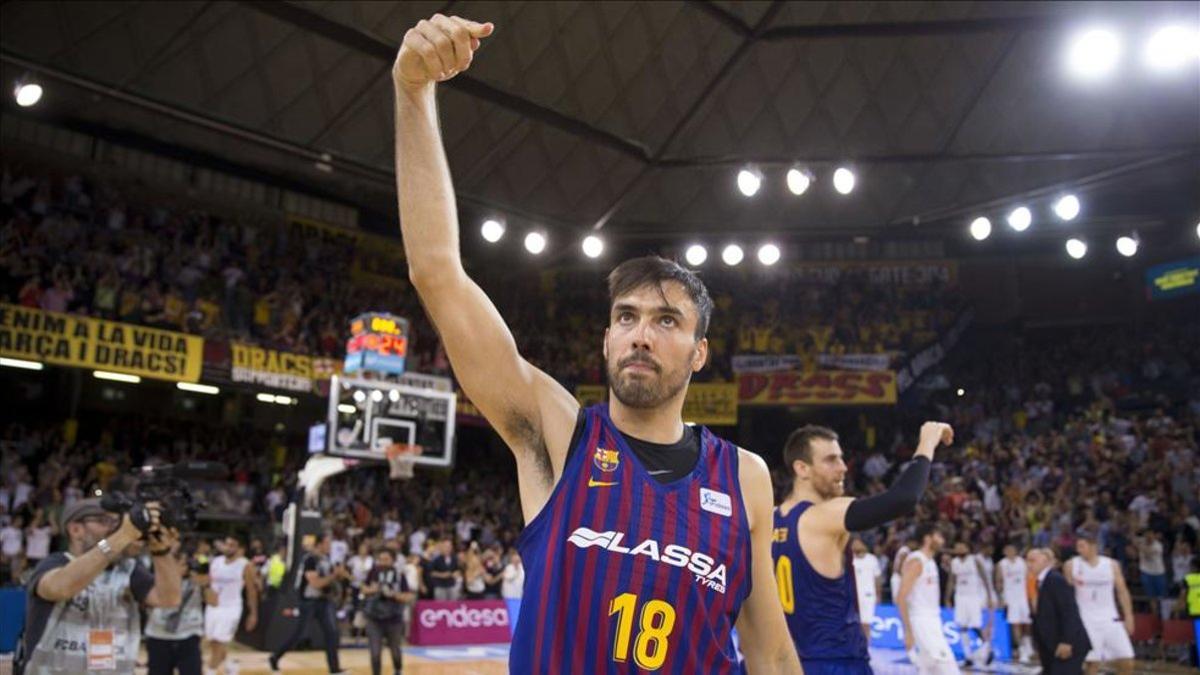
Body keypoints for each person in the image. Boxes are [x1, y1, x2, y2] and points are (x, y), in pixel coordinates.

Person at [391, 12, 800, 673]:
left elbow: (773, 653)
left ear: (699, 352)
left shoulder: (745, 476)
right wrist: (413, 93)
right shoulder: (558, 432)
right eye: (628, 316)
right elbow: (437, 272)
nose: (642, 333)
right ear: (608, 336)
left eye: (667, 321)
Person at [773, 422, 952, 674]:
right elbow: (902, 498)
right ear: (801, 468)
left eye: (842, 458)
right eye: (831, 460)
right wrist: (927, 443)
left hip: (780, 662)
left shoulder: (769, 520)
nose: (843, 468)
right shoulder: (823, 514)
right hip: (834, 660)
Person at [19, 498, 181, 674]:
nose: (114, 528)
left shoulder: (128, 569)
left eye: (117, 522)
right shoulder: (54, 563)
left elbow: (169, 599)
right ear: (75, 530)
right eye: (104, 521)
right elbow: (60, 587)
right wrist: (123, 535)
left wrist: (161, 551)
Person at [269, 534, 350, 674]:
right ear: (319, 544)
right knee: (299, 634)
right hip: (309, 601)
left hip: (323, 600)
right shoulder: (310, 560)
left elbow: (328, 581)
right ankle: (275, 657)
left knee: (332, 633)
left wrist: (340, 576)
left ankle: (334, 669)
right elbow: (315, 583)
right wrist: (334, 576)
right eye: (327, 543)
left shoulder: (326, 560)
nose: (329, 547)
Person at [1063, 531, 1135, 675]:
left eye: (1082, 546)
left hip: (1110, 619)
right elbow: (1067, 597)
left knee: (1127, 660)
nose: (1079, 550)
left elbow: (1122, 591)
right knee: (1092, 664)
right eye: (1077, 546)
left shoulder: (1111, 564)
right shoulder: (1071, 565)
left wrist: (1129, 616)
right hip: (1086, 620)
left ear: (1093, 546)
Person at [897, 523, 958, 675]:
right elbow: (901, 597)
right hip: (922, 620)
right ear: (927, 538)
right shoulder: (917, 561)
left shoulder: (930, 561)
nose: (942, 540)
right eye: (938, 536)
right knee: (948, 668)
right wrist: (908, 631)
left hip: (932, 619)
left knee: (927, 670)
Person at [145, 549, 216, 675]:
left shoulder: (195, 580)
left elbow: (214, 602)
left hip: (188, 636)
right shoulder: (154, 578)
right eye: (180, 564)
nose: (185, 567)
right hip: (158, 636)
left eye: (185, 564)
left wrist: (205, 584)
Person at [1028, 548, 1091, 675]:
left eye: (1033, 560)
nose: (1029, 564)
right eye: (1027, 561)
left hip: (1067, 645)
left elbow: (1069, 611)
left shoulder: (1055, 580)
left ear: (1045, 561)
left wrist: (1067, 641)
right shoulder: (1041, 582)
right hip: (1051, 646)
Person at [205, 536, 258, 675]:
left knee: (219, 642)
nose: (228, 547)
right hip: (213, 607)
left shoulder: (245, 565)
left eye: (232, 545)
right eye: (226, 544)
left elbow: (251, 590)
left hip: (231, 608)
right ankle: (231, 666)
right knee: (214, 644)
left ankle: (210, 671)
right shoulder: (216, 562)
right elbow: (209, 584)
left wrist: (253, 613)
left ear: (240, 549)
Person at [361, 548, 414, 675]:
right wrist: (373, 590)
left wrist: (394, 594)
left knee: (395, 650)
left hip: (394, 618)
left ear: (393, 560)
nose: (383, 563)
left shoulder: (399, 575)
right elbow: (363, 589)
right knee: (375, 652)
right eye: (380, 560)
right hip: (374, 617)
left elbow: (408, 596)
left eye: (386, 560)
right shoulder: (372, 572)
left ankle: (397, 670)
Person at [945, 541, 995, 667]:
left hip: (973, 596)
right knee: (962, 626)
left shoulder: (975, 560)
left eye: (961, 546)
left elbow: (985, 578)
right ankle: (968, 656)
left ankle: (988, 649)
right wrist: (947, 597)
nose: (959, 548)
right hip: (960, 597)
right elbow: (951, 580)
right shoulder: (954, 562)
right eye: (957, 547)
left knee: (975, 625)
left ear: (967, 548)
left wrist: (989, 596)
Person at [996, 543, 1034, 663]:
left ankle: (1028, 644)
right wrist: (1001, 598)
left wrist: (1031, 595)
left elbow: (1030, 577)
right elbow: (998, 582)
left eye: (1012, 549)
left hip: (1023, 596)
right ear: (1004, 551)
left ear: (1016, 551)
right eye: (1008, 550)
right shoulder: (1001, 564)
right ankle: (1022, 650)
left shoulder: (1022, 562)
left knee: (1027, 624)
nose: (1010, 552)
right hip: (1010, 597)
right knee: (1015, 624)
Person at [850, 538, 881, 642]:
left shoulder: (872, 559)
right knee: (854, 623)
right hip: (853, 596)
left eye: (857, 542)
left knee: (866, 623)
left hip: (868, 595)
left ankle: (866, 646)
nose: (855, 545)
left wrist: (878, 594)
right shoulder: (850, 559)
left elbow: (877, 578)